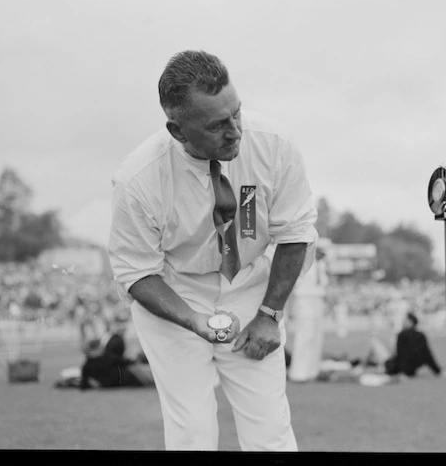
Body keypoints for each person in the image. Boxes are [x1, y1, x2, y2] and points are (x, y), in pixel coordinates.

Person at [108, 50, 317, 451]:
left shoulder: (275, 144)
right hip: (176, 293)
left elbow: (296, 233)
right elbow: (135, 273)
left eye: (236, 113)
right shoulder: (137, 180)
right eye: (218, 125)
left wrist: (269, 315)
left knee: (269, 431)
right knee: (192, 433)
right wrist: (194, 321)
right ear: (178, 131)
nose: (236, 131)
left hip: (253, 285)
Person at [288, 244, 330, 382]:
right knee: (304, 336)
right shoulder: (303, 263)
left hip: (318, 300)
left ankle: (312, 371)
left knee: (316, 337)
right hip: (305, 300)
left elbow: (324, 285)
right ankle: (299, 372)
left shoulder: (322, 265)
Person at [382, 312, 442, 378]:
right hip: (413, 368)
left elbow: (401, 355)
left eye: (405, 320)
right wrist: (437, 370)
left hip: (400, 368)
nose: (402, 322)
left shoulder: (402, 335)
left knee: (375, 345)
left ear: (410, 322)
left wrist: (404, 372)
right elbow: (427, 355)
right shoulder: (421, 335)